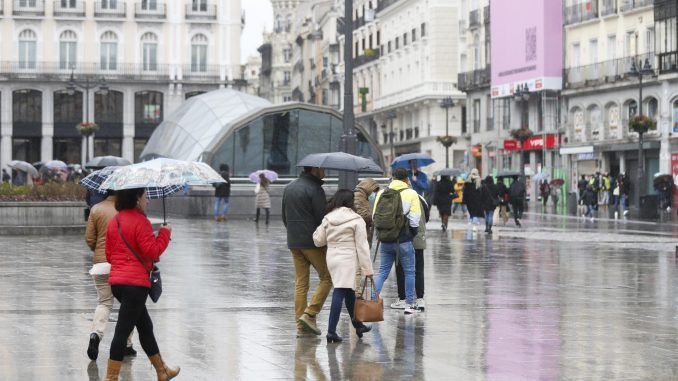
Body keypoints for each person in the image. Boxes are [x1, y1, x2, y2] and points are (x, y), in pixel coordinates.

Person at [104, 188, 178, 381]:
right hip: (135, 285)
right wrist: (164, 233)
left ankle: (162, 371)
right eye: (146, 198)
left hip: (118, 284)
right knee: (122, 331)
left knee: (145, 326)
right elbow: (152, 252)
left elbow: (109, 255)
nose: (148, 201)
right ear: (137, 199)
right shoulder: (141, 221)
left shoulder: (115, 221)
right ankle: (110, 377)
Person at [312, 190, 374, 344]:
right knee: (340, 290)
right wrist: (368, 270)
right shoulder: (356, 219)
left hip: (332, 258)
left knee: (349, 291)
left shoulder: (328, 218)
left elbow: (318, 241)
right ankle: (331, 331)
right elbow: (362, 247)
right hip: (348, 259)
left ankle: (358, 325)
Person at [85, 191, 136, 361]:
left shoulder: (96, 209)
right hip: (122, 264)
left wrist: (98, 251)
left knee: (104, 302)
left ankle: (95, 335)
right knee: (128, 305)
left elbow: (90, 239)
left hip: (100, 264)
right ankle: (127, 344)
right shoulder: (126, 210)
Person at [282, 166, 332, 336]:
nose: (325, 172)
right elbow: (322, 219)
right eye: (323, 169)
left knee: (301, 283)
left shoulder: (289, 187)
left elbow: (284, 216)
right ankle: (310, 313)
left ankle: (300, 326)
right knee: (327, 277)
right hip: (312, 243)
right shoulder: (316, 190)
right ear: (315, 169)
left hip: (294, 241)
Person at [372, 167, 421, 315]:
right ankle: (409, 305)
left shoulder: (381, 193)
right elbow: (415, 219)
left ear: (393, 177)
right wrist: (411, 234)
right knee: (410, 272)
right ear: (406, 179)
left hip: (385, 240)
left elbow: (375, 215)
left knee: (382, 272)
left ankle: (372, 301)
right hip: (404, 240)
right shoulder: (411, 193)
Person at [392, 194, 429, 311]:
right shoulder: (420, 198)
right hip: (419, 238)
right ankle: (420, 299)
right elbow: (426, 217)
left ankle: (403, 299)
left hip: (402, 239)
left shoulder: (397, 196)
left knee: (401, 269)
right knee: (418, 269)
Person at [353, 178, 380, 246]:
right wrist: (375, 218)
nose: (374, 193)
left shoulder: (363, 196)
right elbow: (362, 215)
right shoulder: (358, 196)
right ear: (368, 188)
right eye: (373, 191)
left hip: (363, 230)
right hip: (360, 232)